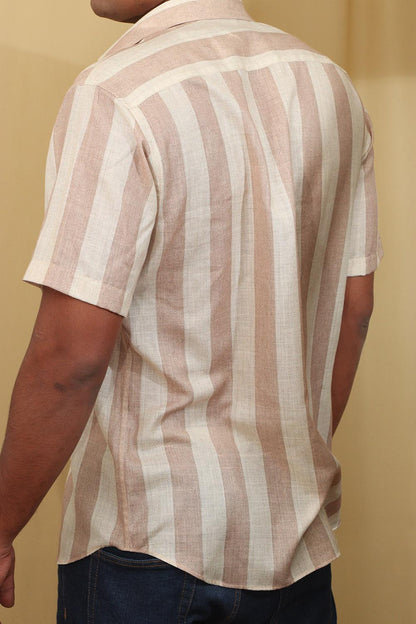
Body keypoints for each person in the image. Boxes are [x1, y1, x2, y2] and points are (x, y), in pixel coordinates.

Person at [0, 0, 383, 621]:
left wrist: (1, 523)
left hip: (152, 543)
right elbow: (354, 310)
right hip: (295, 541)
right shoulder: (328, 84)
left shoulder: (118, 93)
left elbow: (72, 357)